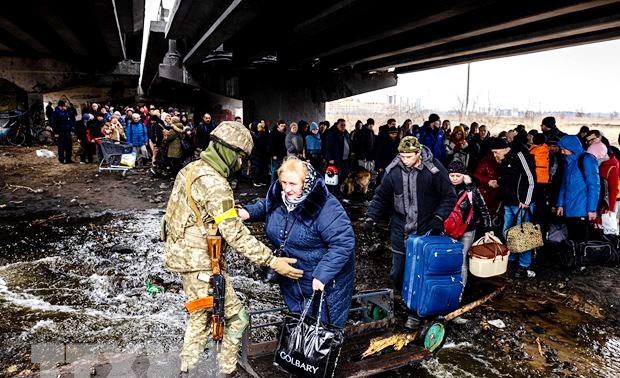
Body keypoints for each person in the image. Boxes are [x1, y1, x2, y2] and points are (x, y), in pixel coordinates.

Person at [162, 121, 302, 377]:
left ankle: (188, 370)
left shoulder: (191, 170)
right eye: (239, 157)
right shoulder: (216, 184)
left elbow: (175, 216)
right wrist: (272, 261)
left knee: (202, 316)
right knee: (237, 319)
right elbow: (235, 234)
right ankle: (226, 372)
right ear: (228, 151)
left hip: (184, 257)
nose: (240, 164)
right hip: (201, 263)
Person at [239, 157, 355, 327]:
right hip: (293, 277)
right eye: (283, 182)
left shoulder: (325, 206)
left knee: (321, 331)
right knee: (299, 324)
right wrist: (249, 212)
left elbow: (343, 243)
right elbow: (268, 206)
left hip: (324, 279)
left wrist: (322, 275)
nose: (287, 189)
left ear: (305, 182)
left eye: (293, 184)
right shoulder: (279, 198)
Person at [363, 136, 456, 328]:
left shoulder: (434, 171)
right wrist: (370, 218)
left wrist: (439, 218)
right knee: (398, 272)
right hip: (400, 230)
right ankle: (405, 300)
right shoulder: (393, 172)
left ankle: (416, 313)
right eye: (402, 156)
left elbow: (449, 196)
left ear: (418, 153)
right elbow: (380, 197)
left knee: (421, 273)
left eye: (408, 156)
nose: (404, 160)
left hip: (425, 232)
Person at [489, 138, 537, 278]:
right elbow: (510, 178)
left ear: (504, 148)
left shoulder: (520, 156)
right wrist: (498, 182)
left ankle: (524, 265)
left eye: (496, 152)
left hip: (522, 203)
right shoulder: (504, 160)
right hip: (509, 202)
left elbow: (530, 178)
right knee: (507, 233)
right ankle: (511, 259)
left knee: (523, 235)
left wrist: (526, 200)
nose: (495, 155)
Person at [446, 160, 493, 288]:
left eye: (458, 176)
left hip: (467, 229)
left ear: (464, 175)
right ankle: (447, 286)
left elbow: (483, 208)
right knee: (447, 258)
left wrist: (487, 228)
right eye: (452, 175)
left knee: (461, 260)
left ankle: (460, 290)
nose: (455, 179)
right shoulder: (443, 187)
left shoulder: (472, 189)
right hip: (447, 229)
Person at [51, 100, 75, 164]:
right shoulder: (56, 113)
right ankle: (61, 159)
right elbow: (54, 123)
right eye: (62, 106)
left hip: (67, 132)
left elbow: (71, 121)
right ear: (60, 106)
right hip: (60, 132)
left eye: (64, 106)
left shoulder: (67, 112)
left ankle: (68, 159)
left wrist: (72, 129)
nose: (64, 107)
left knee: (69, 146)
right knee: (61, 147)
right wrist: (56, 132)